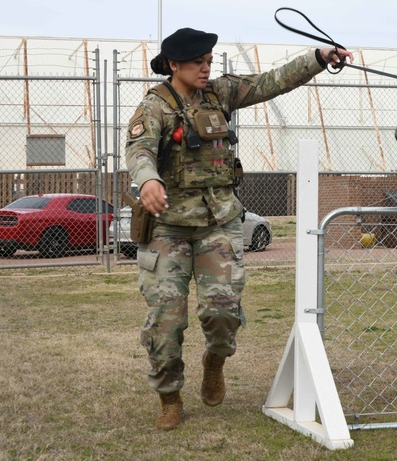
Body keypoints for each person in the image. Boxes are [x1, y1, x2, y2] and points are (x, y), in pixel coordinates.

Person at [124, 26, 352, 431]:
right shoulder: (153, 107)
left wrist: (318, 58)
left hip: (218, 221)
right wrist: (149, 181)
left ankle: (215, 359)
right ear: (174, 64)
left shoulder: (220, 94)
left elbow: (270, 82)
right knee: (165, 321)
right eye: (198, 62)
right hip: (169, 228)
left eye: (209, 61)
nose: (206, 69)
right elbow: (139, 149)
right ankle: (170, 396)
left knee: (223, 309)